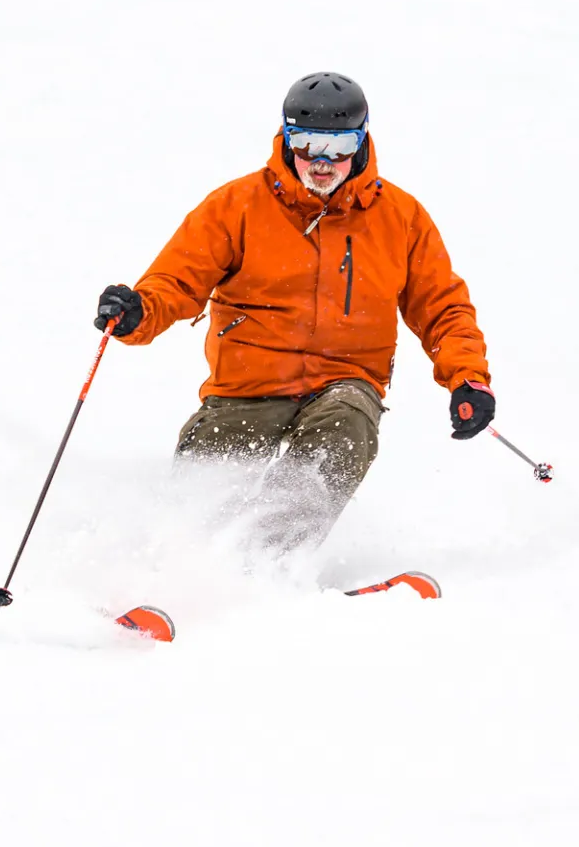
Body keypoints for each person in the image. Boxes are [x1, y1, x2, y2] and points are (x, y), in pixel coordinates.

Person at [94, 72, 494, 552]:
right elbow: (177, 280)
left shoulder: (400, 217)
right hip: (247, 384)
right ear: (285, 138)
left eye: (338, 145)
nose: (321, 161)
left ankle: (266, 563)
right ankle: (172, 568)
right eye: (306, 143)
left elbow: (443, 308)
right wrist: (140, 312)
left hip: (344, 379)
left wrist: (466, 377)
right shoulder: (236, 206)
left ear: (362, 140)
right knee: (203, 496)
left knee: (347, 420)